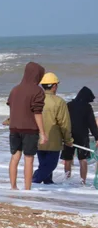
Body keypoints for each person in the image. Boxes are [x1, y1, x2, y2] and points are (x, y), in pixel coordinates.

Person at [7, 62, 47, 190]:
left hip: (14, 128)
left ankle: (13, 186)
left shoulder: (15, 89)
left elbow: (12, 107)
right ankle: (27, 189)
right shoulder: (37, 91)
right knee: (29, 159)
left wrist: (10, 121)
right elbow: (37, 112)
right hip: (30, 129)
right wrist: (43, 133)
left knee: (15, 156)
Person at [33, 72, 72, 184]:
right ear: (54, 86)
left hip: (38, 138)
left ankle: (48, 183)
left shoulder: (36, 99)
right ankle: (33, 181)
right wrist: (68, 140)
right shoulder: (59, 102)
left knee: (44, 164)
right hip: (54, 141)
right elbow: (64, 124)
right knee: (50, 165)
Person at [62, 86, 98, 184]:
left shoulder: (69, 105)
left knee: (68, 158)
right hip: (82, 136)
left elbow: (63, 121)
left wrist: (62, 134)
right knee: (83, 159)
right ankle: (83, 181)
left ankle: (67, 179)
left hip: (69, 135)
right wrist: (97, 137)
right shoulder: (87, 107)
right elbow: (92, 124)